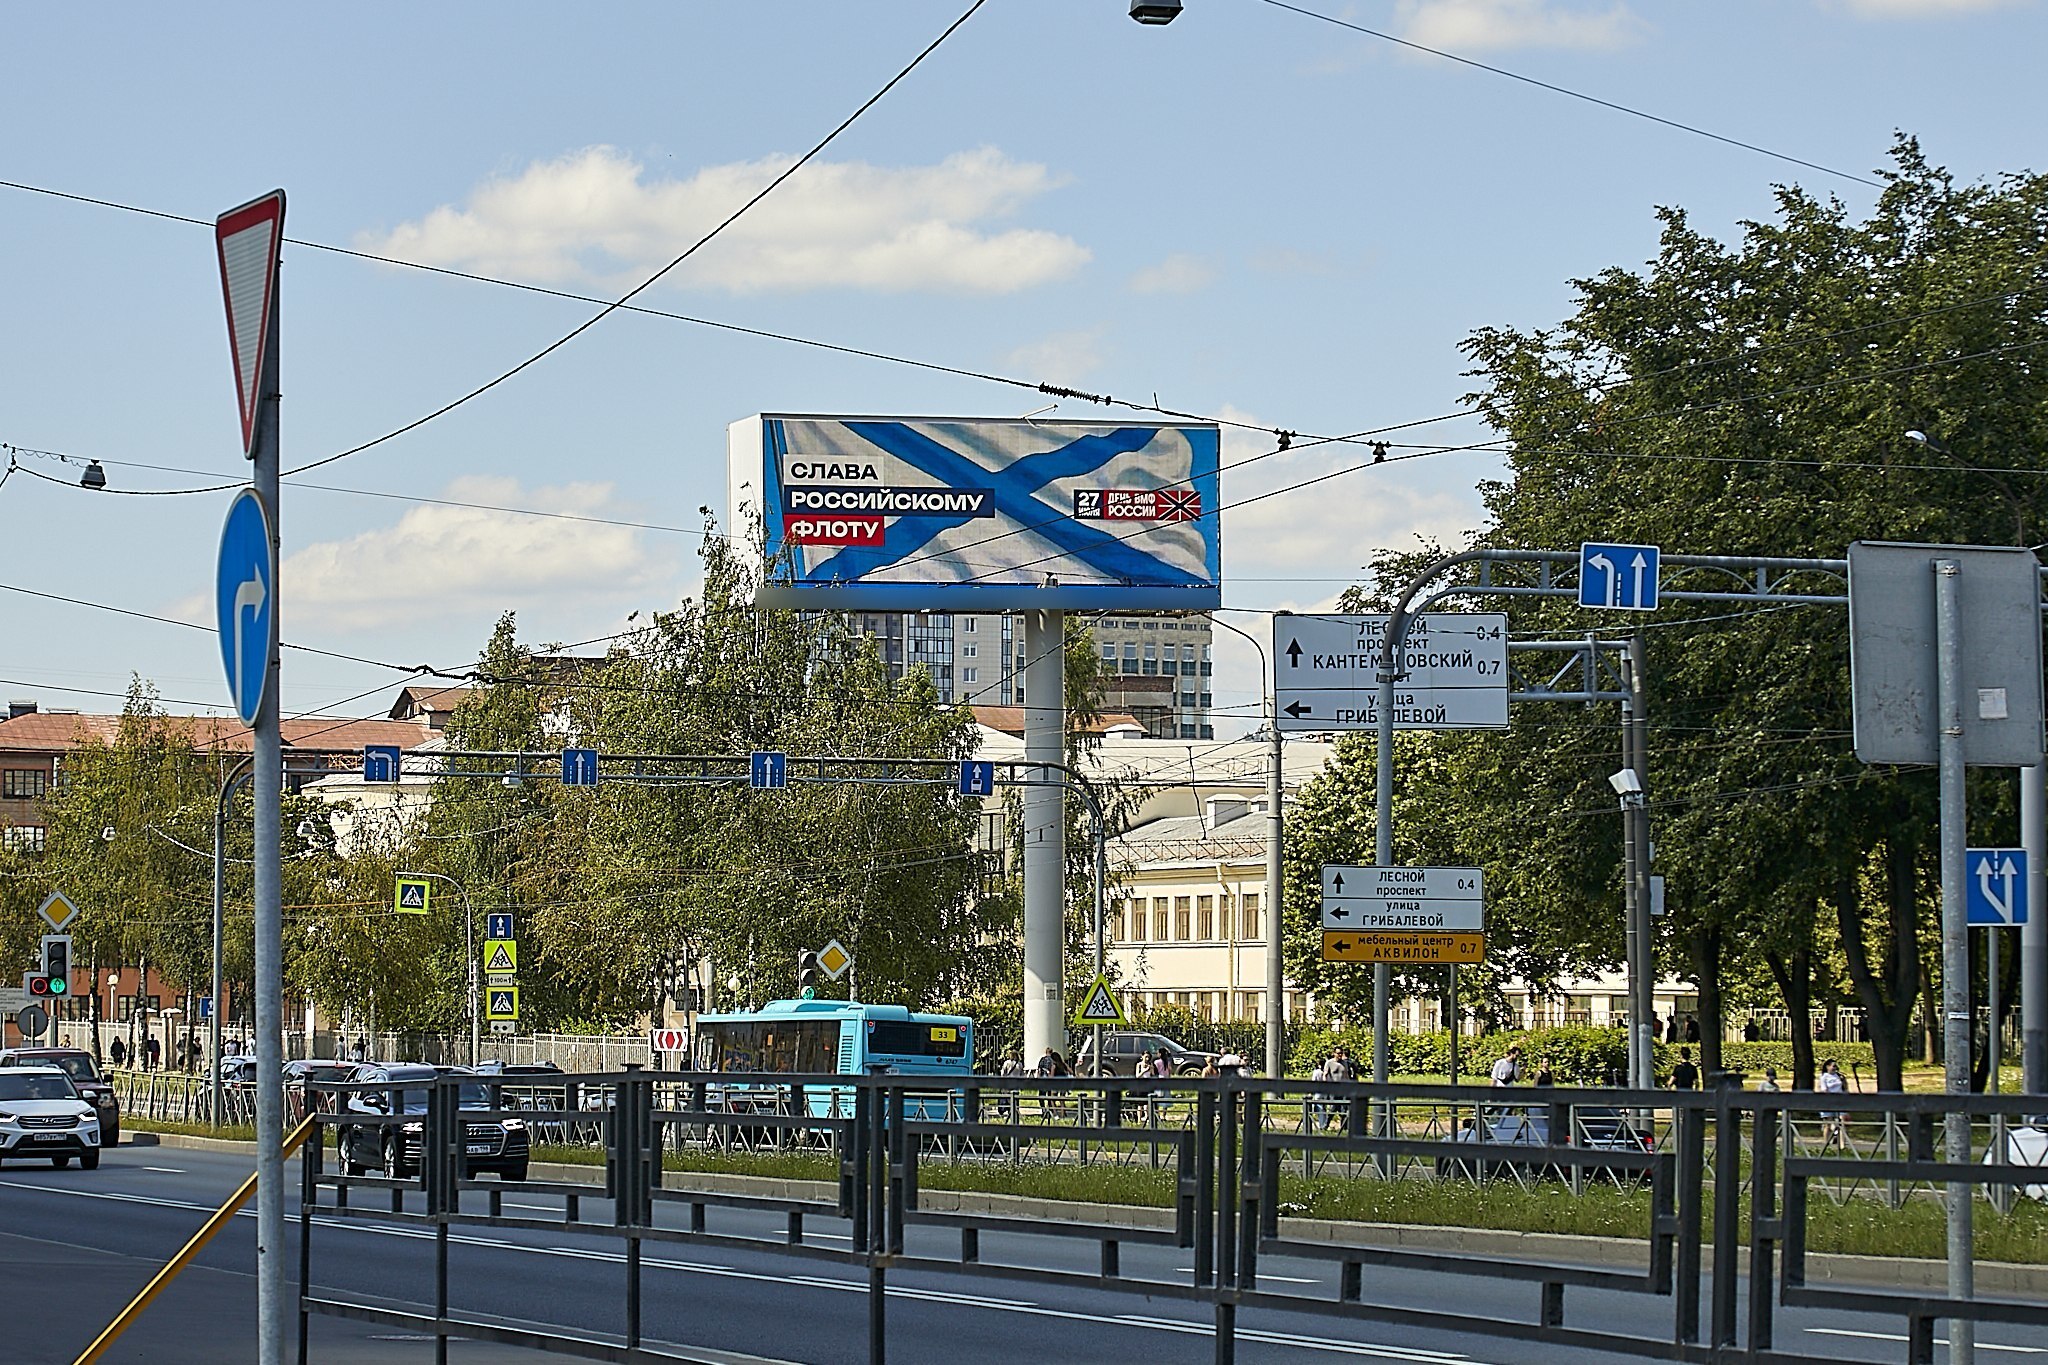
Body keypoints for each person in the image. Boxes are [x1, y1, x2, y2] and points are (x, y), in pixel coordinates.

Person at [1817, 1057, 1847, 1145]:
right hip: (1828, 1101)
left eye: (1835, 1066)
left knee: (1842, 1123)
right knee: (1828, 1124)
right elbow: (1824, 1089)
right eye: (1833, 1066)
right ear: (1827, 1067)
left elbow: (1844, 1088)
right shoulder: (1824, 1077)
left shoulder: (1839, 1076)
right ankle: (1826, 1144)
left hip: (1839, 1101)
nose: (1834, 1068)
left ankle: (1842, 1145)